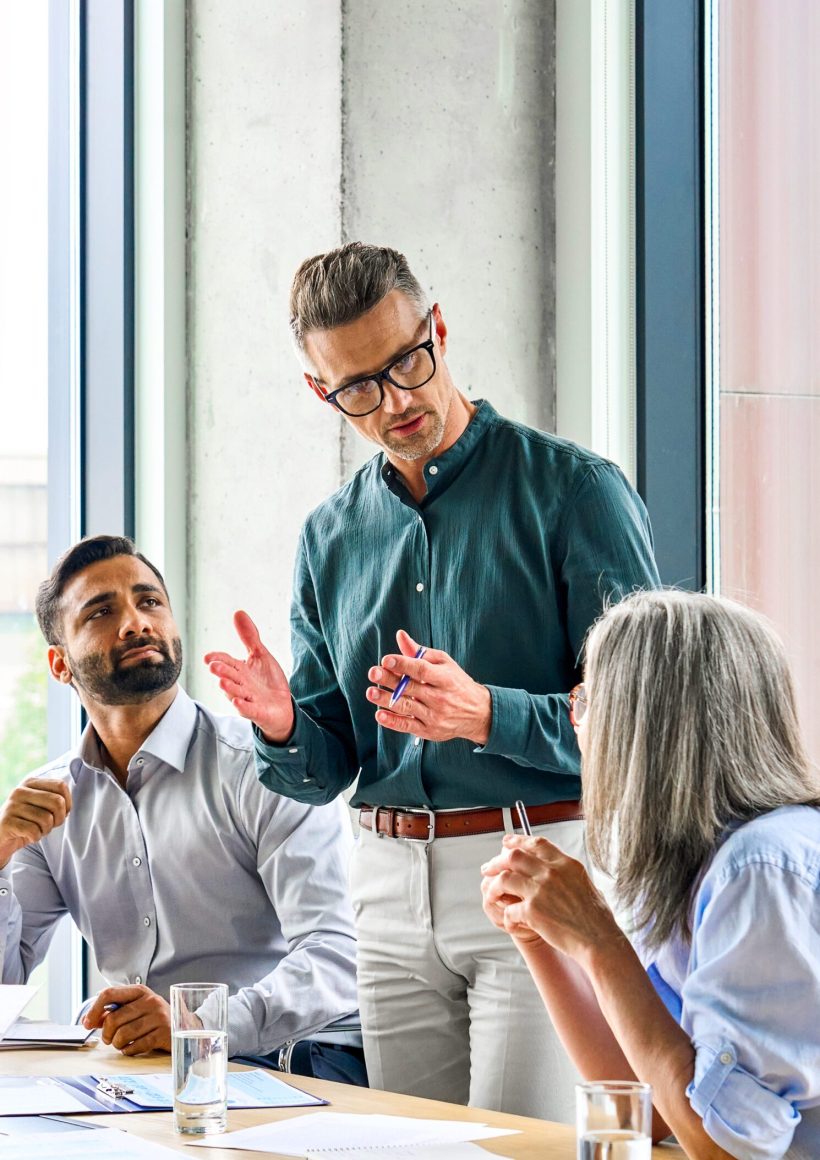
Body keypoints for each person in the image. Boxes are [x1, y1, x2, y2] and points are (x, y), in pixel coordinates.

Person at [204, 242, 660, 1119]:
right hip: (381, 885)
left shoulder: (575, 493)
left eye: (408, 362)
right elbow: (326, 762)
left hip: (540, 864)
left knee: (511, 1146)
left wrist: (488, 713)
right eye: (360, 388)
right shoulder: (328, 537)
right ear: (322, 394)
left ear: (438, 329)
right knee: (409, 1144)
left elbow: (646, 727)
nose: (398, 399)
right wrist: (279, 727)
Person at [0, 535, 362, 1083]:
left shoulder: (262, 768)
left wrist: (196, 1024)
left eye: (149, 602)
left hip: (292, 1063)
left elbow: (338, 956)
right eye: (102, 612)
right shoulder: (49, 802)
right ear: (59, 664)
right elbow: (5, 986)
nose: (135, 623)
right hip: (143, 1078)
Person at [482, 590, 820, 1159]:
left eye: (586, 697)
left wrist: (597, 936)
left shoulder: (761, 870)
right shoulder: (686, 863)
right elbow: (644, 1108)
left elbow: (726, 1150)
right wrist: (538, 936)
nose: (575, 717)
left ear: (643, 726)